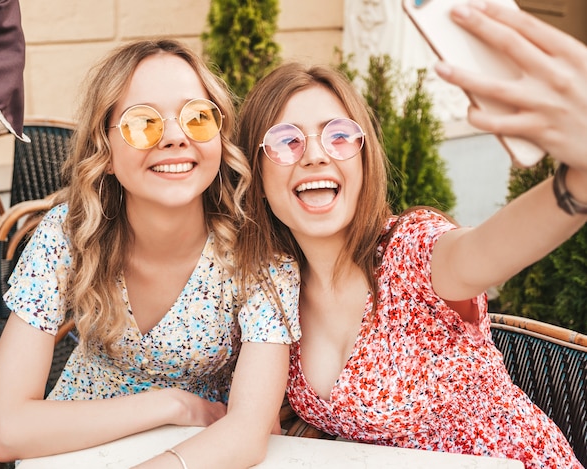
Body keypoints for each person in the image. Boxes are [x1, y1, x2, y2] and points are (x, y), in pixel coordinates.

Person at [235, 1, 586, 467]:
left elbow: (490, 249)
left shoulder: (410, 249)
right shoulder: (274, 289)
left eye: (338, 135)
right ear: (256, 173)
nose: (316, 154)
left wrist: (576, 182)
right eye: (286, 140)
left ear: (363, 159)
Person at [0, 38, 300, 469]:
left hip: (205, 452)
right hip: (77, 443)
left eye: (197, 117)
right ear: (106, 152)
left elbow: (249, 434)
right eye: (142, 122)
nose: (174, 137)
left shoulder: (258, 254)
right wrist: (172, 404)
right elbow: (7, 432)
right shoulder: (68, 233)